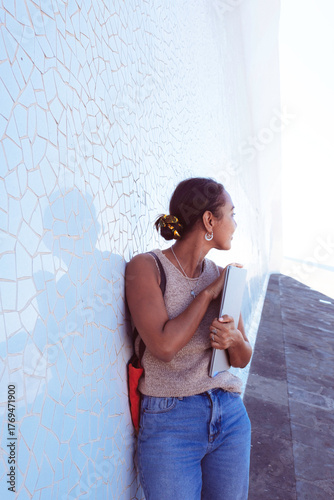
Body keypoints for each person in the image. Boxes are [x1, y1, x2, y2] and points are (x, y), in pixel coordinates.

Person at [125, 177, 252, 500]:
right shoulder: (147, 267)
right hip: (171, 421)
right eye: (232, 214)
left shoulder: (223, 275)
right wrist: (208, 294)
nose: (236, 224)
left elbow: (242, 357)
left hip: (229, 414)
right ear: (210, 220)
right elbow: (163, 346)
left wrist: (233, 339)